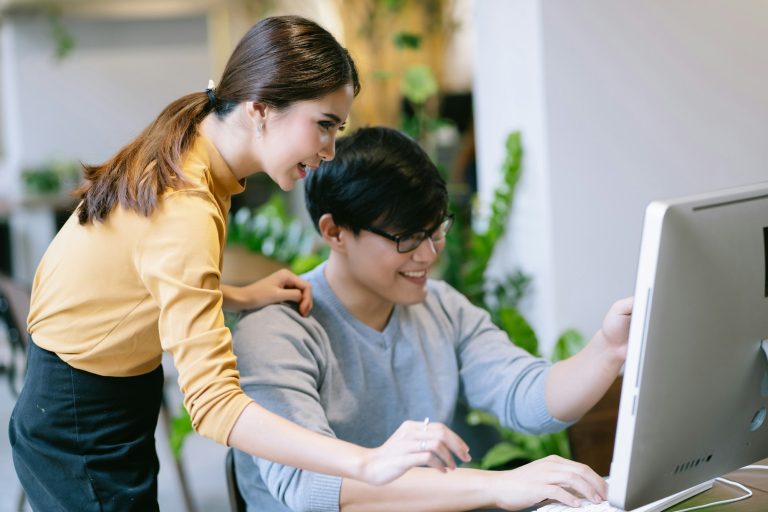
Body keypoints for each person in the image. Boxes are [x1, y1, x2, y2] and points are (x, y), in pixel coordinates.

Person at [8, 17, 469, 512]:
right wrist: (364, 462)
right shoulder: (185, 208)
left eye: (339, 129)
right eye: (324, 125)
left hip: (98, 384)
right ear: (260, 109)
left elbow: (147, 275)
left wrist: (238, 295)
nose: (330, 151)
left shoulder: (196, 139)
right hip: (80, 413)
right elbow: (213, 406)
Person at [232, 126, 634, 512]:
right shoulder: (276, 330)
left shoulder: (439, 305)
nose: (428, 255)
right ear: (334, 232)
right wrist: (497, 485)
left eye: (435, 231)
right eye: (406, 239)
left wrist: (607, 349)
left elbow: (526, 397)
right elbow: (310, 487)